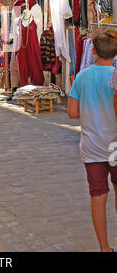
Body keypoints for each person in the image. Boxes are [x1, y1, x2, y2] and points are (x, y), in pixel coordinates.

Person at [68, 27, 117, 252]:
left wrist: (91, 107)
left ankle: (104, 248)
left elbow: (72, 112)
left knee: (98, 196)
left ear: (94, 52)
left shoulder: (82, 76)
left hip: (92, 146)